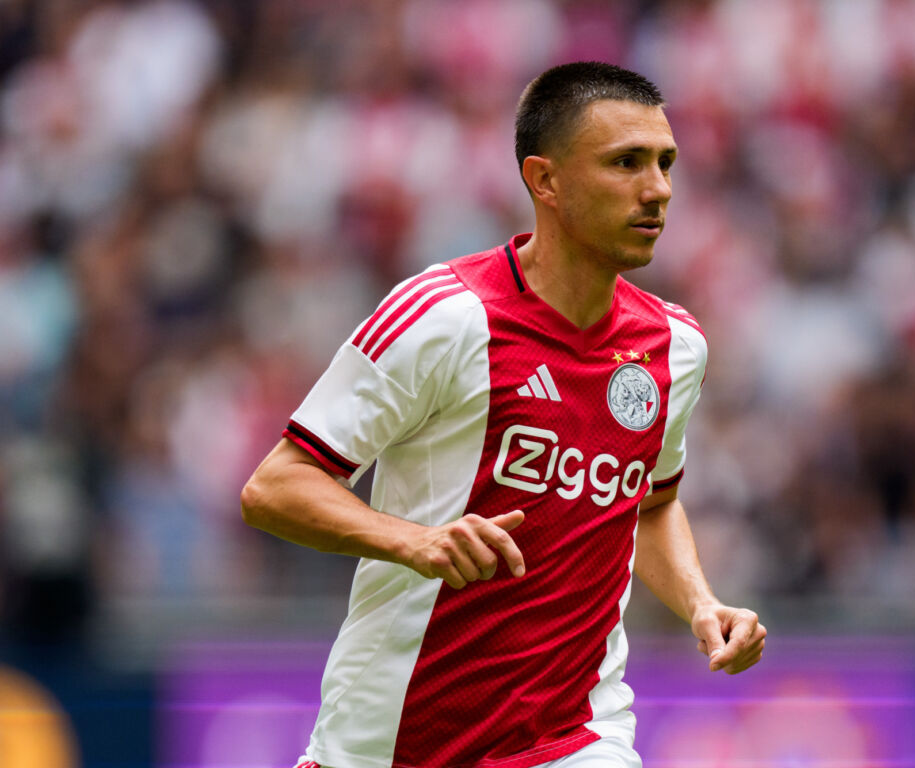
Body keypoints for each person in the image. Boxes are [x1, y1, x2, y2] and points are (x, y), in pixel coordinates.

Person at [240, 60, 767, 768]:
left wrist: (700, 603)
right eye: (626, 163)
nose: (657, 190)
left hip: (573, 738)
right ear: (544, 180)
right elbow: (274, 488)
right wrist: (414, 541)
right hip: (389, 741)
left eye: (665, 163)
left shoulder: (675, 345)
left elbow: (649, 504)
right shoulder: (443, 316)